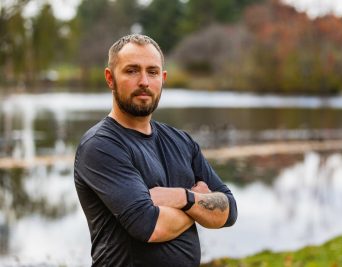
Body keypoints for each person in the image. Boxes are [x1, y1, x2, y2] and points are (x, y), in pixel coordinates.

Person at [74, 34, 238, 267]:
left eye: (152, 72)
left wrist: (183, 197)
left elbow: (229, 211)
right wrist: (200, 204)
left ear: (163, 78)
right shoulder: (100, 146)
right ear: (110, 78)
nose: (144, 81)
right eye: (132, 71)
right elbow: (148, 225)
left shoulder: (181, 141)